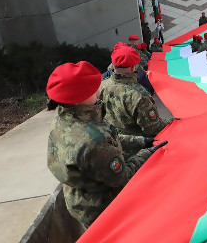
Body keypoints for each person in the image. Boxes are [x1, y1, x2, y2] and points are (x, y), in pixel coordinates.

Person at [46, 61, 167, 228]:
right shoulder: (91, 139)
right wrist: (147, 153)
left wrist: (140, 141)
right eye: (93, 89)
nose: (98, 91)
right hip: (104, 209)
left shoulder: (63, 120)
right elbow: (122, 176)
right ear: (78, 99)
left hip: (79, 201)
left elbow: (108, 139)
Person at [99, 46, 167, 142]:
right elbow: (152, 128)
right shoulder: (139, 95)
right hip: (139, 145)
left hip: (112, 142)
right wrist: (171, 122)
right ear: (133, 67)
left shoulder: (101, 87)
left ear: (112, 66)